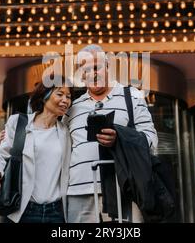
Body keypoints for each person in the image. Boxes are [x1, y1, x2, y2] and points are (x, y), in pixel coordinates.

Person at [64, 44, 158, 223]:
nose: (92, 73)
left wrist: (119, 138)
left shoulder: (133, 96)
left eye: (96, 67)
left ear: (107, 66)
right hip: (79, 193)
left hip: (124, 190)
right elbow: (56, 140)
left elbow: (151, 140)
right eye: (85, 69)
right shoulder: (72, 107)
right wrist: (16, 133)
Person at [0, 74, 73, 223]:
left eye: (69, 97)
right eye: (60, 94)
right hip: (23, 210)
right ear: (45, 95)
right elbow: (0, 153)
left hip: (56, 212)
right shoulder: (19, 123)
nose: (65, 100)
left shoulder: (67, 131)